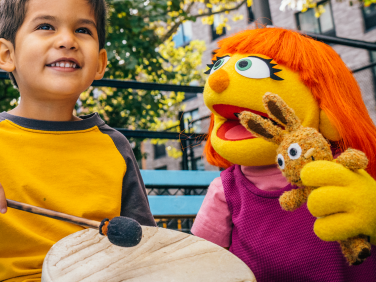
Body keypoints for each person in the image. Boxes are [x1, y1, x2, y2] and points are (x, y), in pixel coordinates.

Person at [191, 27, 376, 281]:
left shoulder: (349, 168)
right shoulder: (226, 189)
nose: (217, 80)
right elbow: (205, 256)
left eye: (250, 67)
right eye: (218, 67)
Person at [0, 0, 156, 280]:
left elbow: (142, 242)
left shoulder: (113, 145)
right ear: (6, 54)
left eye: (83, 30)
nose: (67, 40)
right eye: (46, 26)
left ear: (100, 63)